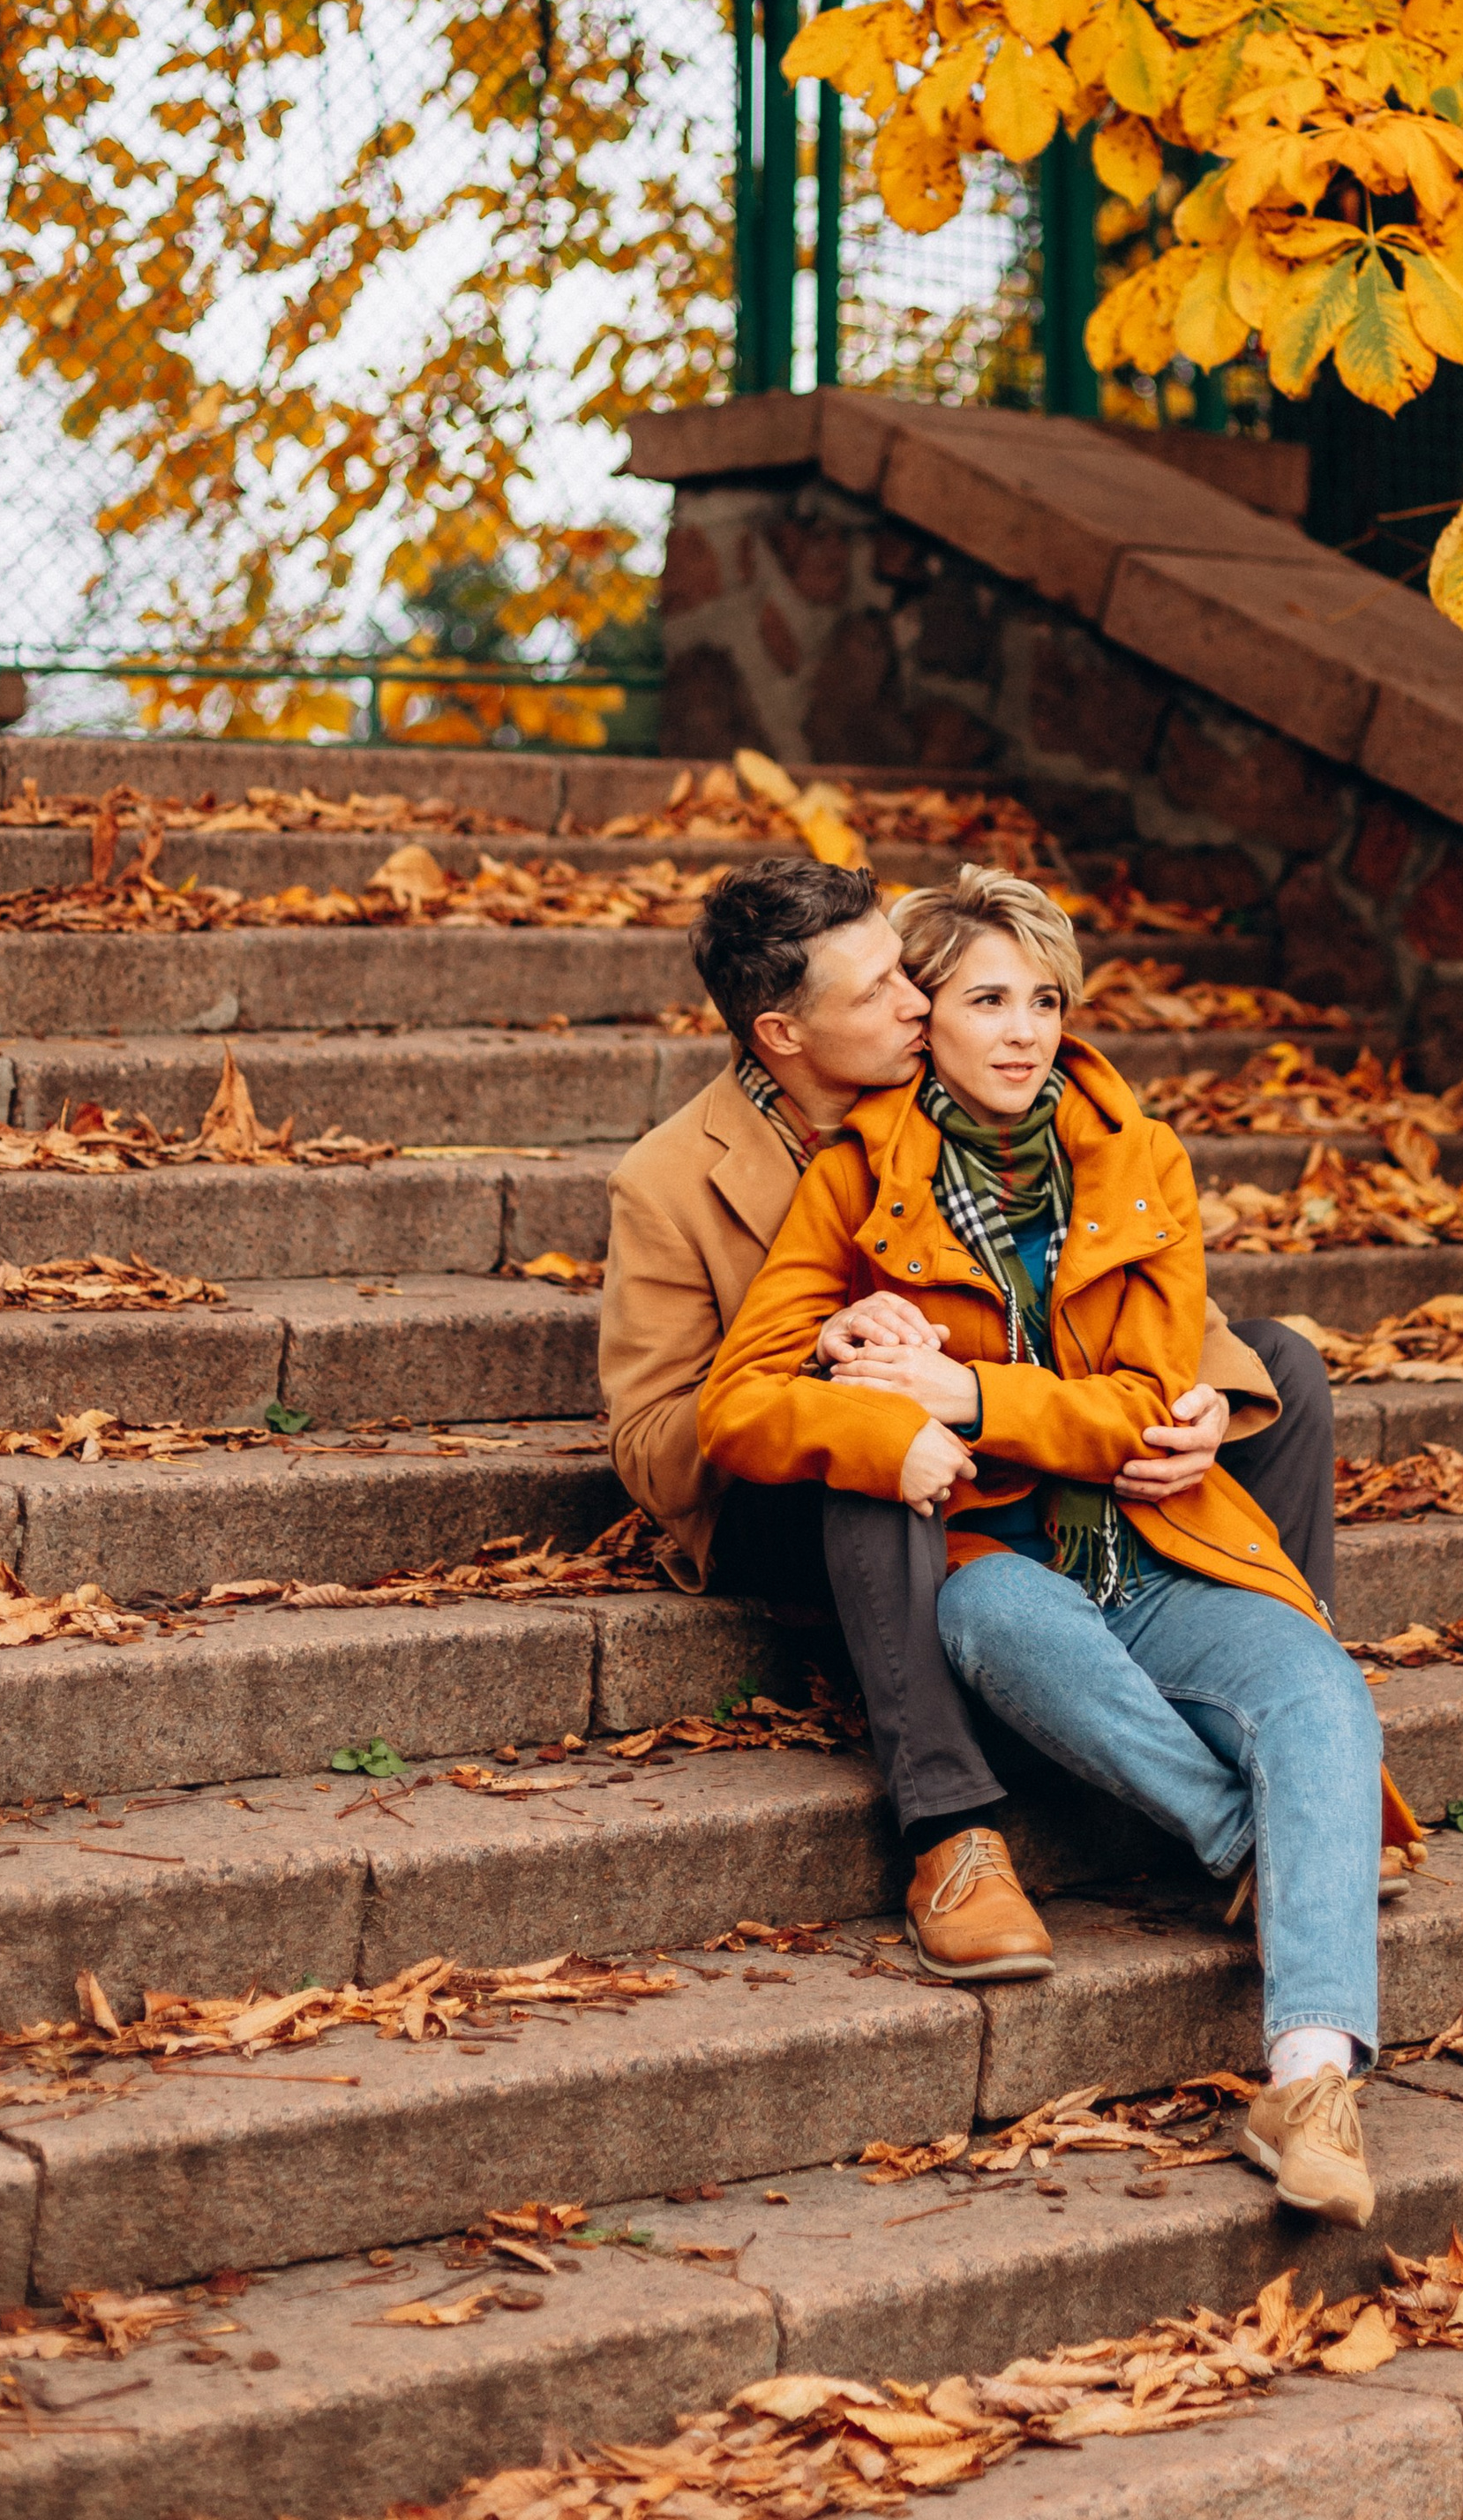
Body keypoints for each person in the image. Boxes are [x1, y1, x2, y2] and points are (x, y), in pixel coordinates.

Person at [699, 864, 1414, 2231]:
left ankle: (1311, 2084)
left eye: (1045, 998)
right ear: (925, 1015)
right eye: (983, 999)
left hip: (1152, 1535)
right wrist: (868, 1397)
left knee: (1320, 1689)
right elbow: (732, 1402)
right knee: (1006, 1628)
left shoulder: (1137, 1157)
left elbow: (1149, 1401)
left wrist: (969, 1394)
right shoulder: (856, 1176)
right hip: (994, 1559)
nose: (1023, 1030)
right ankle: (1252, 1833)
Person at [601, 854, 1347, 1983]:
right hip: (793, 1492)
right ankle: (949, 1829)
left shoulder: (960, 1102)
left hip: (988, 1441)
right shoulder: (670, 1180)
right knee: (879, 1438)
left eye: (911, 976)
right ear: (783, 1035)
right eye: (879, 994)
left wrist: (1198, 1397)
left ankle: (1269, 1706)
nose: (915, 999)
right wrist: (826, 1349)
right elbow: (654, 1445)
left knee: (1277, 1367)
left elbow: (1075, 1285)